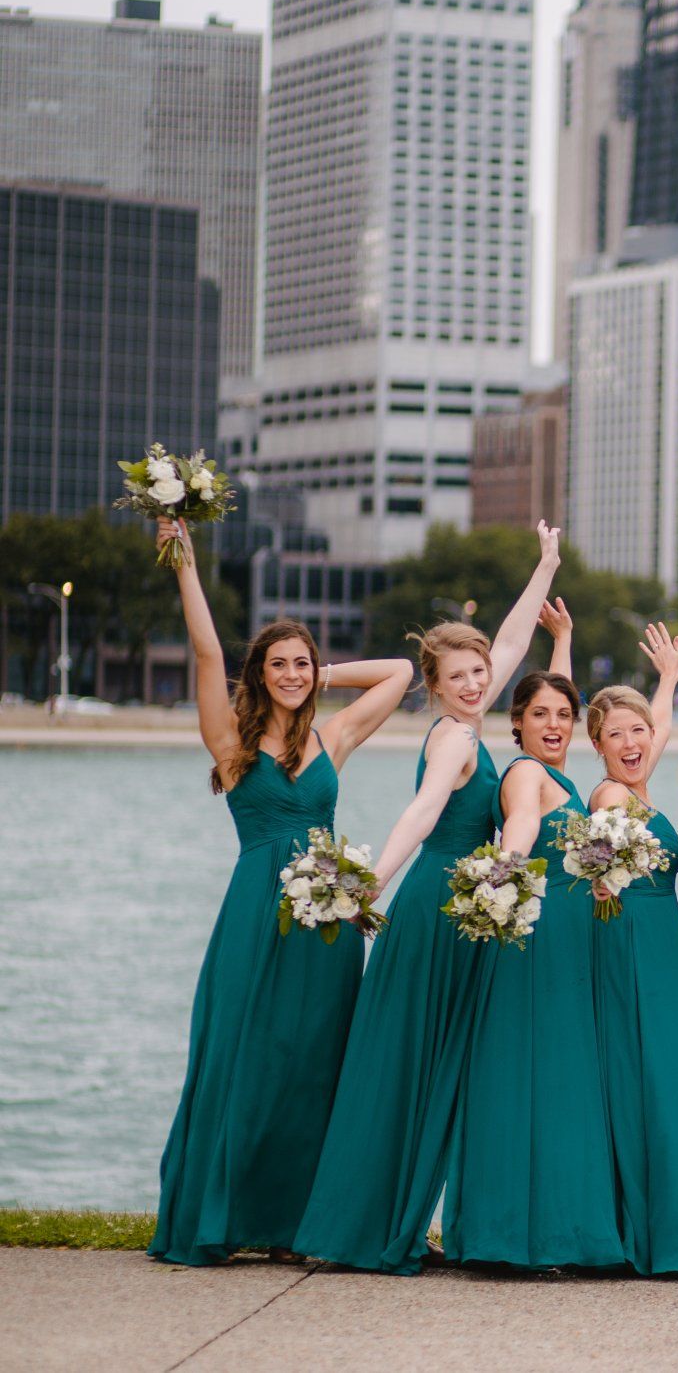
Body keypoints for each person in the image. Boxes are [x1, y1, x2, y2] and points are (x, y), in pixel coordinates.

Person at [296, 523, 569, 1273]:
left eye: (482, 672)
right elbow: (419, 816)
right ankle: (375, 1226)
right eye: (463, 675)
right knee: (412, 1064)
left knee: (425, 1062)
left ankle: (394, 1219)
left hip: (456, 907)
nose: (479, 681)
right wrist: (369, 888)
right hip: (436, 911)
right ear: (436, 684)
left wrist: (544, 564)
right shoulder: (454, 739)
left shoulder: (473, 720)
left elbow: (513, 641)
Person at [147, 519, 413, 1267]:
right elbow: (205, 650)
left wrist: (320, 677)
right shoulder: (230, 743)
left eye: (302, 664)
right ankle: (222, 1216)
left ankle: (301, 1225)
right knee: (246, 1055)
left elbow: (399, 670)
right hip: (256, 914)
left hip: (325, 920)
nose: (292, 673)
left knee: (314, 1061)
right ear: (257, 672)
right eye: (280, 664)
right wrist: (186, 564)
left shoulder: (335, 740)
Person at [440, 669, 624, 1270]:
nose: (554, 725)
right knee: (533, 1075)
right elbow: (521, 822)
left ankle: (558, 1228)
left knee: (561, 1078)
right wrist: (503, 872)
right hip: (536, 941)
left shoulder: (561, 777)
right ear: (516, 721)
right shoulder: (524, 773)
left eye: (564, 714)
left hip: (569, 939)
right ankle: (519, 1235)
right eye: (540, 714)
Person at [582, 624, 678, 1276]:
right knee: (651, 1076)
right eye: (617, 735)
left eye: (638, 732)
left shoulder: (637, 783)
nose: (634, 742)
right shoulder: (612, 795)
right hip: (635, 943)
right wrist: (602, 872)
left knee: (663, 1077)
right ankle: (651, 1227)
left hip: (662, 943)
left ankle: (666, 1220)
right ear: (598, 745)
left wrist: (667, 679)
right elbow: (600, 869)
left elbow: (659, 731)